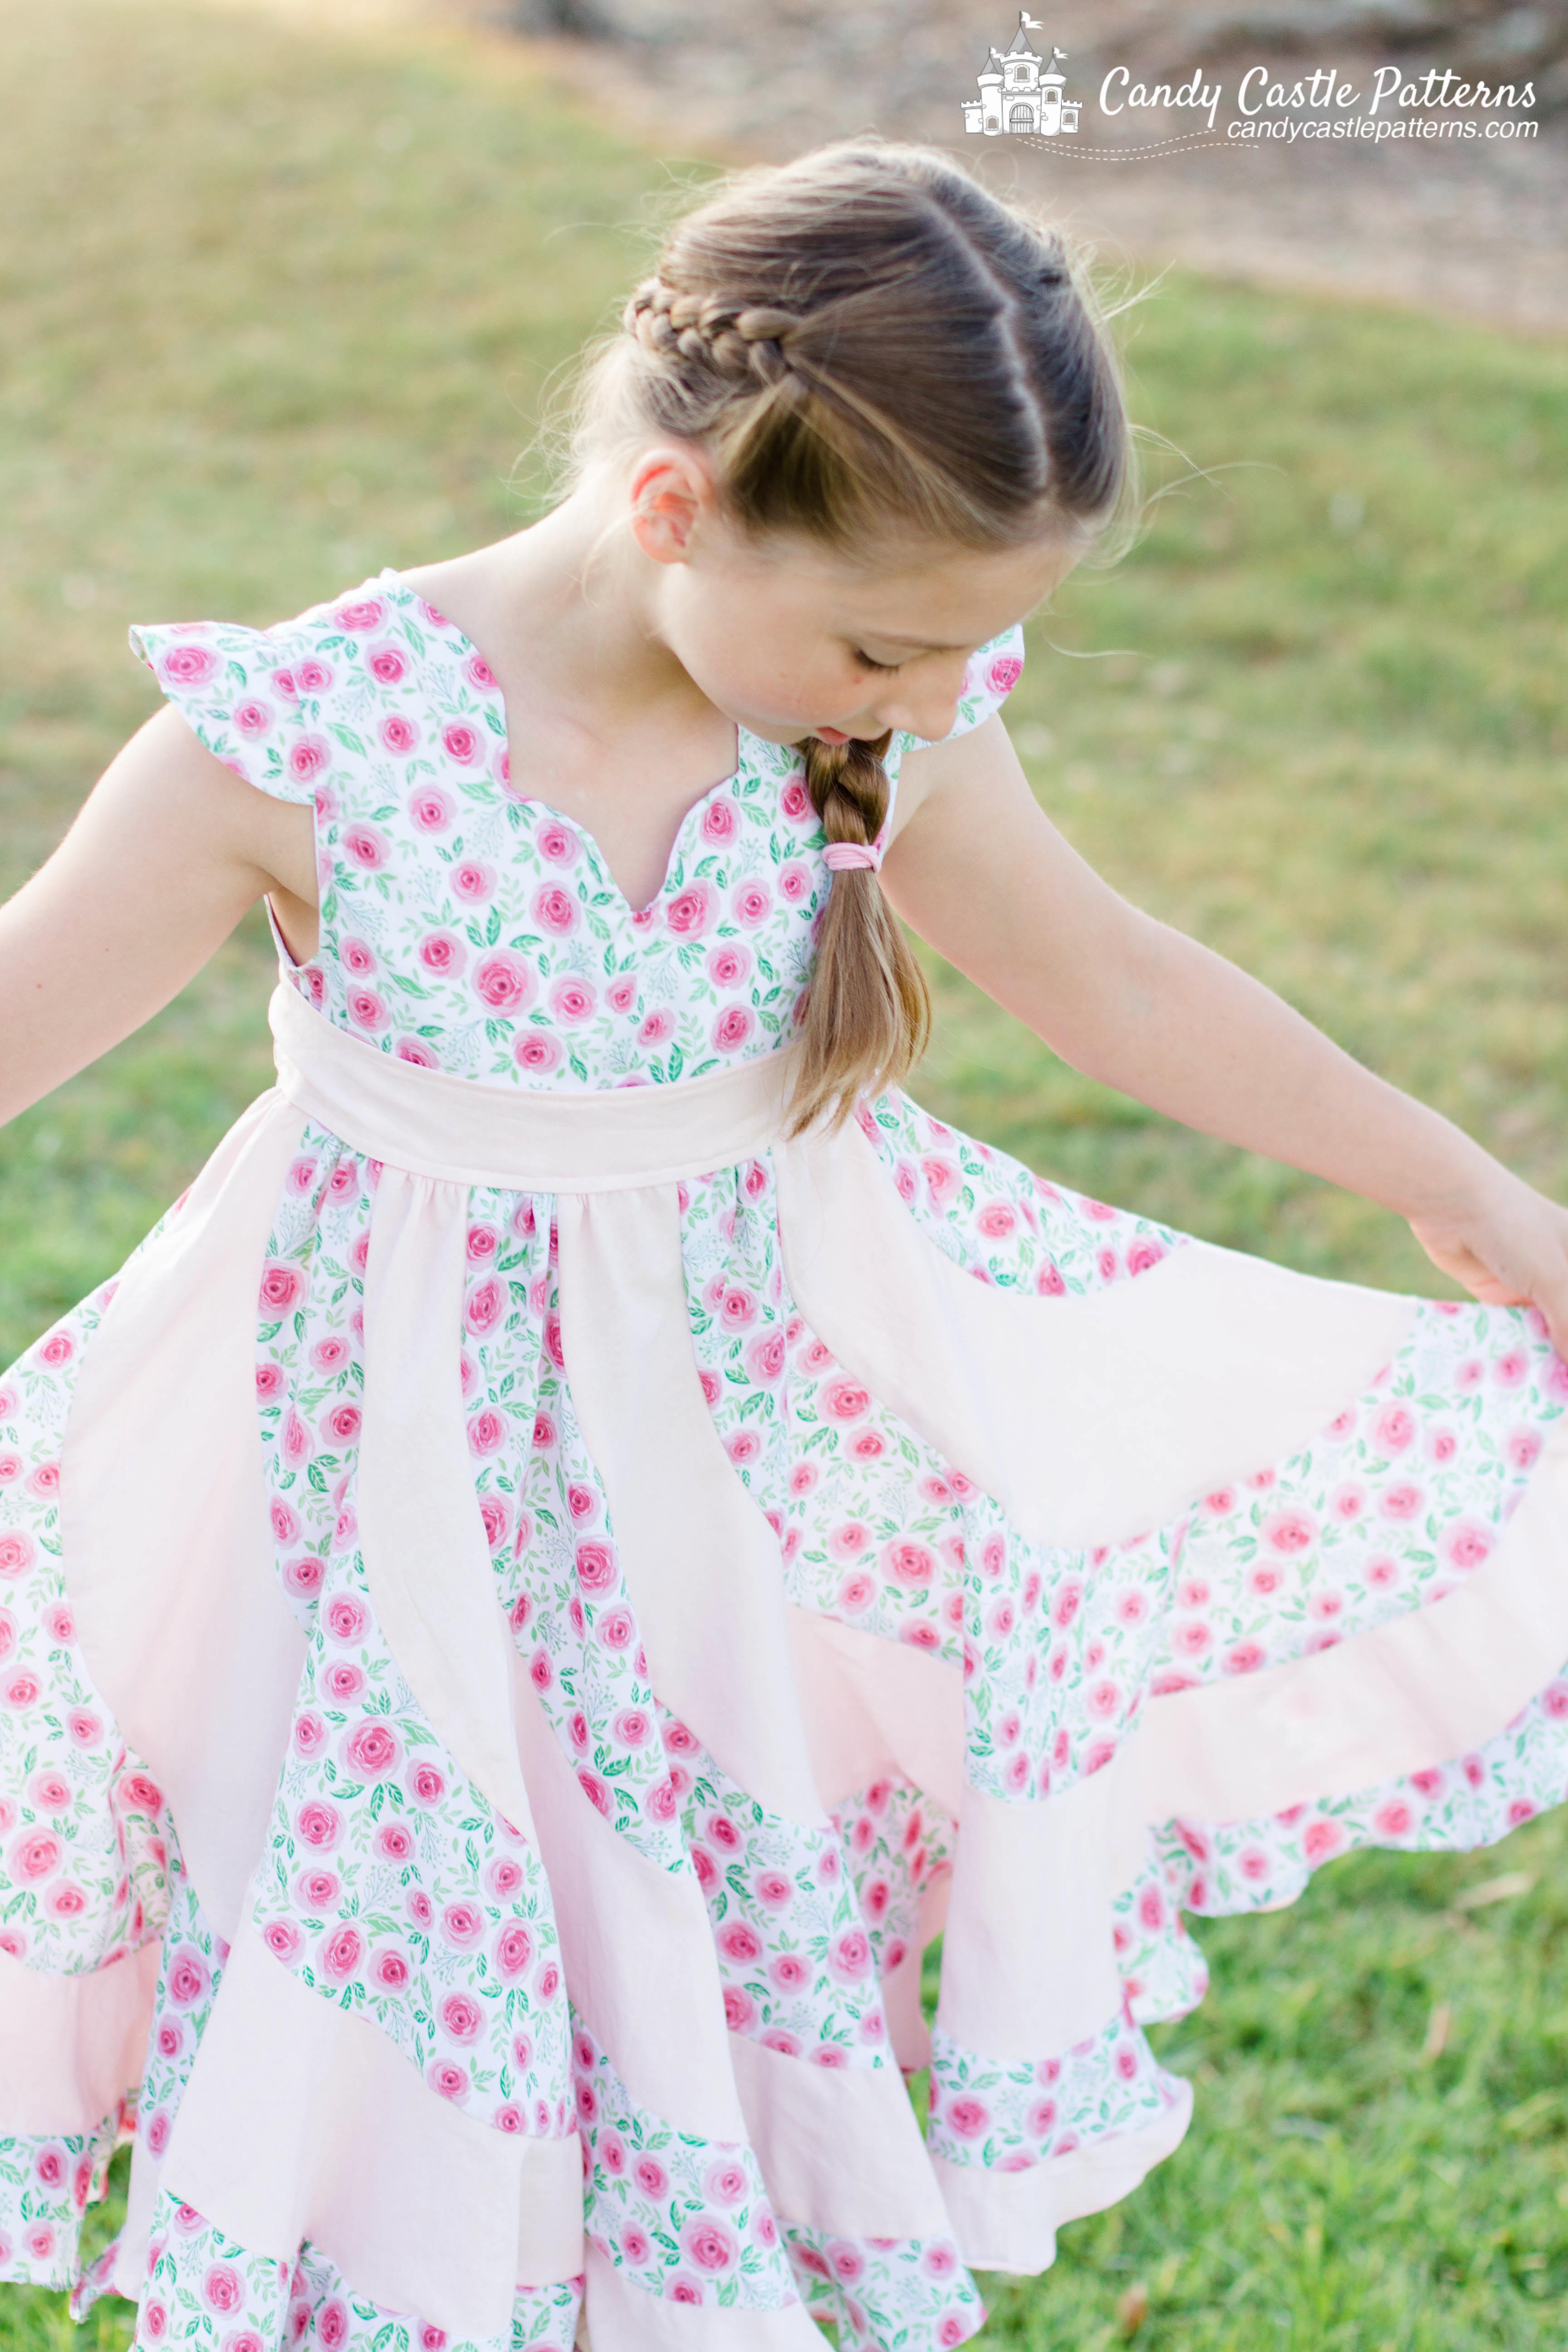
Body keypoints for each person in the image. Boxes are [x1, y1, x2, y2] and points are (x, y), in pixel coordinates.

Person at [1, 134, 1565, 2352]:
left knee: (687, 2001)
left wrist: (1473, 1187)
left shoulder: (865, 736)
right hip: (388, 1522)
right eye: (895, 645)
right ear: (677, 509)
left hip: (732, 1511)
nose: (933, 703)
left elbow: (1114, 980)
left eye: (972, 652)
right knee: (416, 2017)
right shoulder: (306, 742)